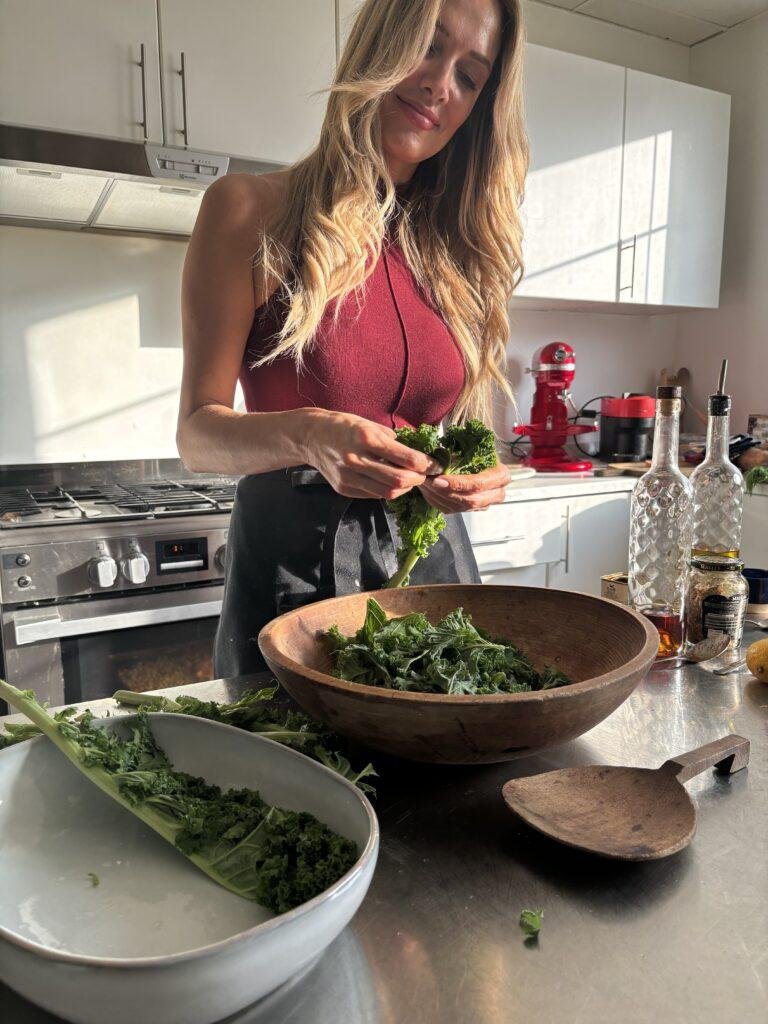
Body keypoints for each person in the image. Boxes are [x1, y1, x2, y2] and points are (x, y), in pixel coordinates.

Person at [177, 0, 529, 677]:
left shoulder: (459, 252)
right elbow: (196, 434)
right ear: (381, 41)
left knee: (445, 767)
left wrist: (481, 475)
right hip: (294, 569)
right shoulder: (249, 210)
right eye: (430, 46)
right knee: (294, 773)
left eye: (469, 76)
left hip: (432, 566)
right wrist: (310, 434)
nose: (439, 85)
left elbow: (459, 430)